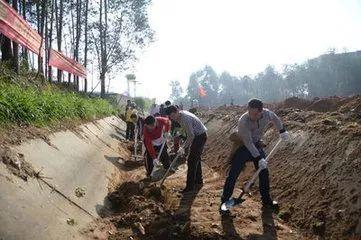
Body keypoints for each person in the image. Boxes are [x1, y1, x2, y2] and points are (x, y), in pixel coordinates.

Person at [220, 98, 290, 214]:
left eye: (255, 114)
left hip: (257, 145)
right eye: (250, 113)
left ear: (261, 111)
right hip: (243, 146)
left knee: (263, 172)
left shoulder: (267, 114)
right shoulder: (244, 121)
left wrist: (282, 131)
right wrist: (259, 158)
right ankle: (225, 201)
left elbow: (275, 118)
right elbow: (248, 142)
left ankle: (266, 200)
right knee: (233, 173)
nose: (252, 116)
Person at [166, 105, 207, 193]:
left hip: (200, 137)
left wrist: (183, 147)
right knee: (196, 158)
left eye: (173, 116)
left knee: (191, 160)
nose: (172, 118)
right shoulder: (180, 116)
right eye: (171, 117)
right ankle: (198, 180)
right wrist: (180, 134)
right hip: (198, 136)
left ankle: (189, 187)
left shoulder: (185, 119)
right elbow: (188, 132)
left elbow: (191, 135)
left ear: (177, 111)